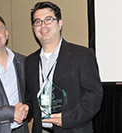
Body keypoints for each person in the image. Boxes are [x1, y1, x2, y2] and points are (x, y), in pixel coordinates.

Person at [24, 1, 103, 133]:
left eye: (48, 20)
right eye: (38, 22)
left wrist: (67, 118)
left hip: (72, 128)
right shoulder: (30, 61)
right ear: (33, 28)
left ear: (60, 23)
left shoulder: (82, 55)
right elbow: (30, 96)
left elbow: (94, 95)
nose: (43, 25)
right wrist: (26, 107)